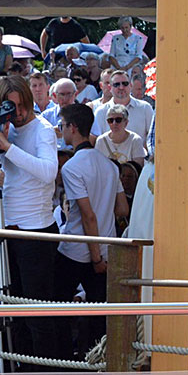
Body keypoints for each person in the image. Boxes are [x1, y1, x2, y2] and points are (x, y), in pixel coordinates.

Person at [0, 75, 60, 362]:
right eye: (10, 107)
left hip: (37, 232)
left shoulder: (43, 129)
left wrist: (8, 148)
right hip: (9, 228)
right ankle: (19, 374)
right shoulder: (7, 128)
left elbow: (49, 173)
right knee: (13, 310)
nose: (17, 113)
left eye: (21, 106)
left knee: (37, 314)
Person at [54, 103, 129, 358]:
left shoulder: (72, 167)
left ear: (73, 128)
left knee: (59, 309)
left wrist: (95, 256)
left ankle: (63, 360)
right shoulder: (109, 165)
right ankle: (95, 361)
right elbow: (122, 209)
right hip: (105, 248)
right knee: (98, 314)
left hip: (78, 250)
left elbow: (88, 216)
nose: (62, 130)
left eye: (63, 125)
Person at [90, 69, 154, 143]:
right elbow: (97, 141)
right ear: (110, 88)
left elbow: (152, 137)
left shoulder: (145, 108)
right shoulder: (101, 112)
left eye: (125, 83)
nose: (121, 87)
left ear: (130, 85)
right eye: (116, 84)